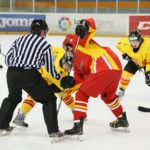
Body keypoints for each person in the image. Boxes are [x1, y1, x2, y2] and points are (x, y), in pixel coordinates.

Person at [61, 18, 129, 136]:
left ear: (68, 46)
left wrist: (85, 26)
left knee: (81, 95)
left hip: (103, 65)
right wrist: (71, 82)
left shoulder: (77, 41)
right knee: (108, 97)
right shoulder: (76, 64)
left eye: (65, 50)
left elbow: (90, 24)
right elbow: (82, 80)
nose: (66, 54)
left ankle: (78, 126)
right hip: (114, 69)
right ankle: (122, 118)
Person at [0, 19, 64, 141]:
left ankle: (1, 126)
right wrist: (58, 78)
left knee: (13, 98)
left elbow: (7, 60)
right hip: (28, 74)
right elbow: (49, 68)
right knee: (49, 99)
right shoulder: (44, 44)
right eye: (45, 31)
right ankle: (54, 132)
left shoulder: (19, 39)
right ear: (42, 31)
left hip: (11, 73)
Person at [12, 45, 78, 128]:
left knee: (34, 95)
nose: (69, 69)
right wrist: (68, 85)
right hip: (44, 78)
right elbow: (60, 86)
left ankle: (20, 117)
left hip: (39, 72)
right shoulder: (59, 73)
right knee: (62, 94)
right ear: (65, 62)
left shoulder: (60, 52)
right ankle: (76, 111)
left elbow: (47, 48)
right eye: (69, 66)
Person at [116, 30, 150, 99]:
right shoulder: (126, 43)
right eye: (131, 41)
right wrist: (124, 54)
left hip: (147, 62)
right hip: (134, 61)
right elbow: (118, 44)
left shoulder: (148, 45)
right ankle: (122, 90)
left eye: (135, 41)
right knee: (125, 75)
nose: (133, 44)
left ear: (140, 39)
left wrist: (148, 72)